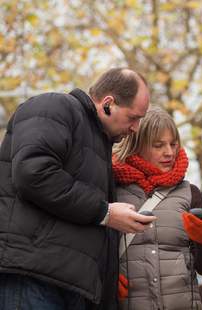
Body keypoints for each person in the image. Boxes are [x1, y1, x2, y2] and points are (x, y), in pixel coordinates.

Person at [0, 68, 157, 310]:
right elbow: (33, 173)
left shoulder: (98, 142)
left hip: (68, 285)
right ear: (108, 104)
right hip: (33, 277)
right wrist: (106, 212)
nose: (135, 127)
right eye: (133, 118)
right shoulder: (54, 107)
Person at [113, 106, 202, 310]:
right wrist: (106, 277)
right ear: (137, 144)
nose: (169, 152)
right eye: (158, 145)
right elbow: (92, 248)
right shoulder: (112, 190)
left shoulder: (191, 194)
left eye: (173, 144)